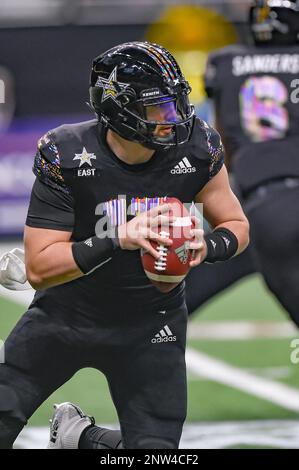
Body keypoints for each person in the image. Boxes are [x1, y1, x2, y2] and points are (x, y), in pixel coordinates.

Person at [0, 41, 249, 449]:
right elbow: (40, 268)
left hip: (153, 323)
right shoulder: (67, 152)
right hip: (65, 316)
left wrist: (208, 245)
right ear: (119, 108)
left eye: (177, 103)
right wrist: (119, 236)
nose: (175, 118)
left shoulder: (197, 146)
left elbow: (237, 226)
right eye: (160, 108)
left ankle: (82, 438)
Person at [186, 0, 299, 327]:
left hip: (261, 205)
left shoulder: (225, 63)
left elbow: (219, 144)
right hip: (277, 202)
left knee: (181, 295)